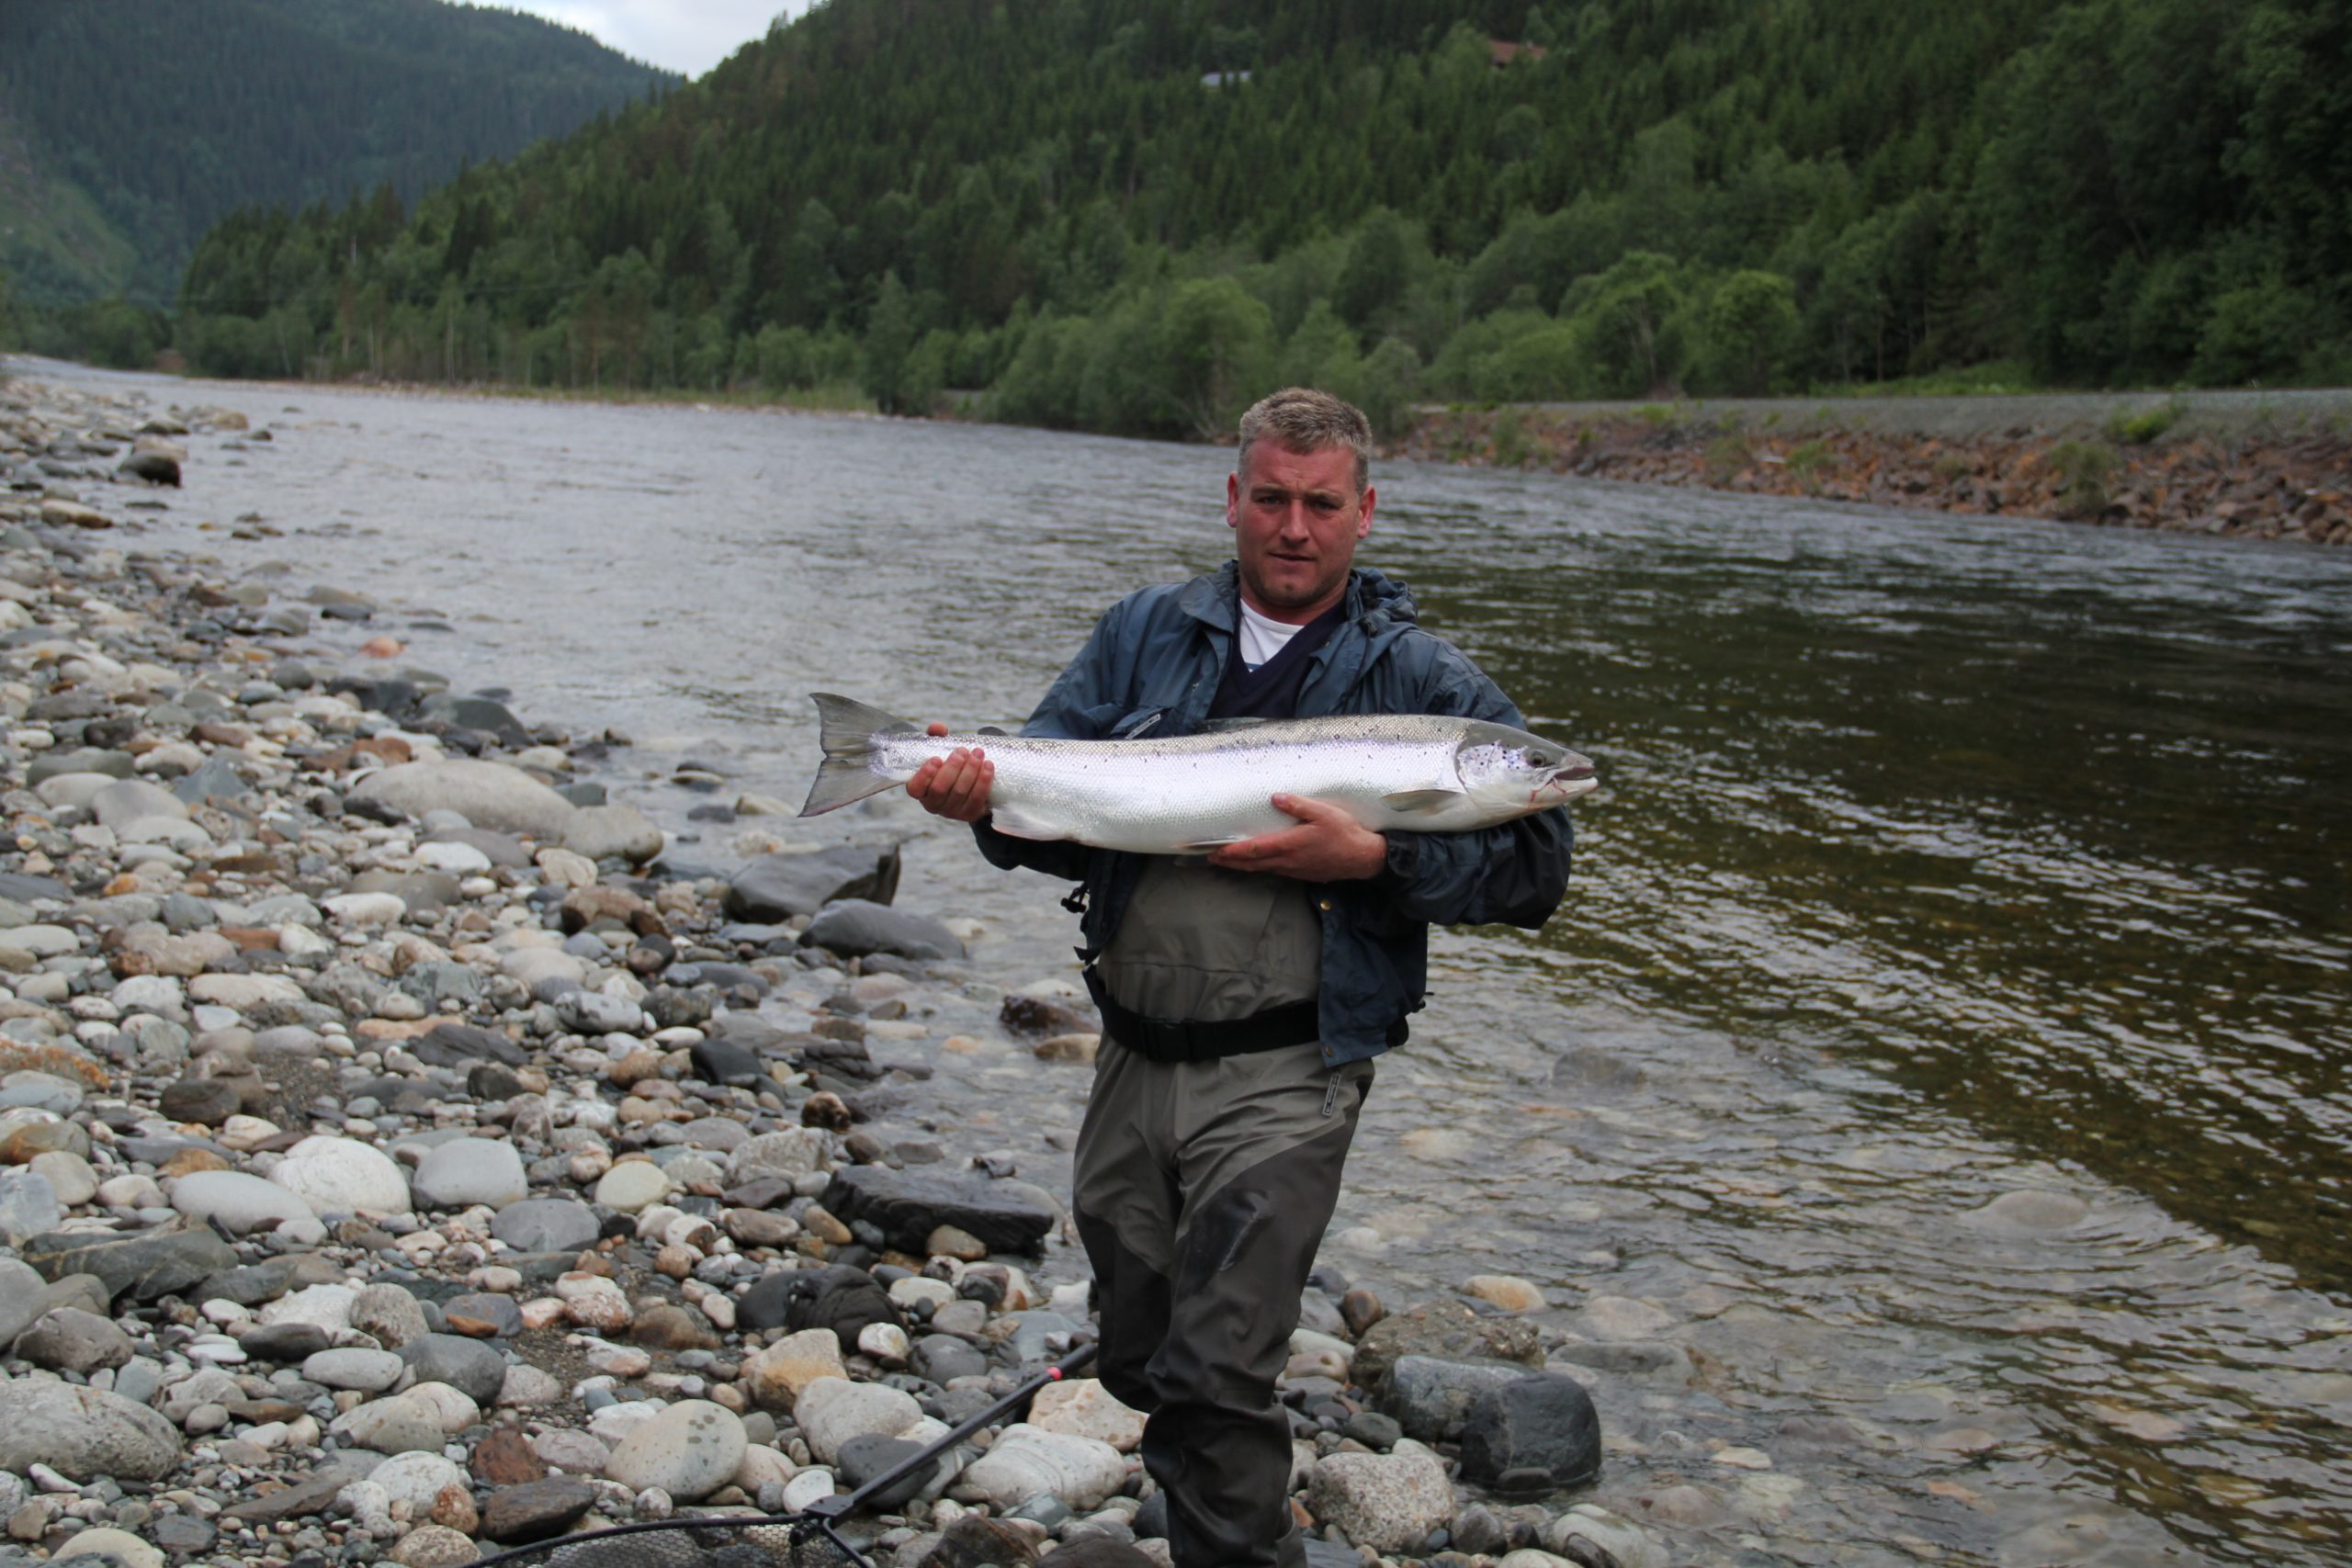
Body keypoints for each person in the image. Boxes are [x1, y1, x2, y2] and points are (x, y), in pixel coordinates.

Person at [906, 388, 1572, 1568]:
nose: (1294, 527)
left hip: (1288, 1064)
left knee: (1216, 1374)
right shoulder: (1142, 632)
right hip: (1131, 1048)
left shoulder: (1422, 682)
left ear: (1366, 513)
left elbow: (1533, 868)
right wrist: (981, 805)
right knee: (1137, 1346)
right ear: (1234, 499)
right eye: (1272, 498)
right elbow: (1048, 810)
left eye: (1322, 504)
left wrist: (1374, 856)